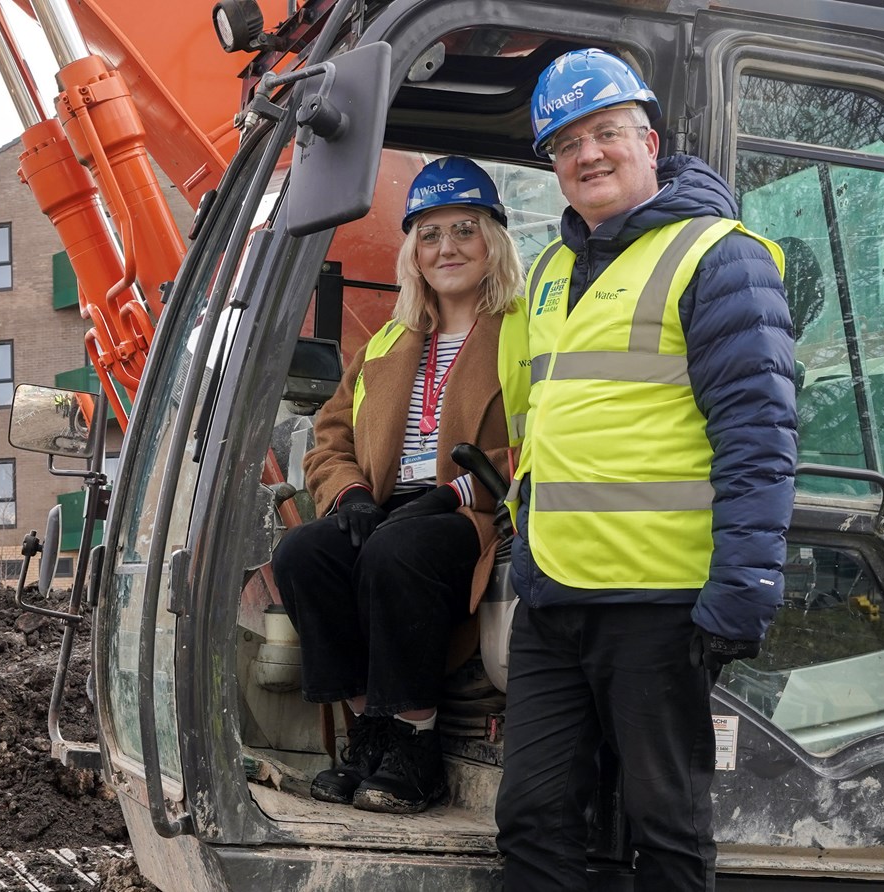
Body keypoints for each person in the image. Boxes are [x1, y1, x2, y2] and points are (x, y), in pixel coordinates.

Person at [493, 49, 797, 890]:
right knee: (532, 818)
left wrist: (740, 592)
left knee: (665, 828)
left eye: (605, 133)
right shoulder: (551, 272)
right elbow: (542, 423)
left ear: (649, 140)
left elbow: (759, 437)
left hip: (658, 604)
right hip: (555, 597)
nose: (587, 154)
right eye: (564, 144)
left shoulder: (720, 258)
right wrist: (522, 543)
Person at [272, 156, 524, 815]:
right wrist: (350, 494)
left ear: (493, 240)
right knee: (304, 554)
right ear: (413, 251)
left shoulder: (529, 334)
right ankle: (371, 734)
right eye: (431, 234)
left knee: (396, 552)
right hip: (385, 507)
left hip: (478, 513)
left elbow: (552, 430)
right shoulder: (386, 341)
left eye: (465, 229)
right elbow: (331, 436)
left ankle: (418, 745)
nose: (448, 248)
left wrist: (462, 491)